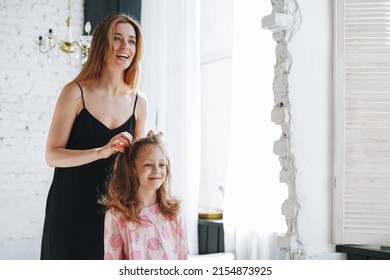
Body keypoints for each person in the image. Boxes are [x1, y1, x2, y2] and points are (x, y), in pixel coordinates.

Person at [40, 14, 149, 260]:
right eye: (117, 38)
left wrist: (153, 150)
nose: (125, 47)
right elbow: (52, 155)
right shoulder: (75, 92)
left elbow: (135, 167)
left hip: (114, 208)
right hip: (69, 205)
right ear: (102, 44)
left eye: (132, 41)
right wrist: (101, 151)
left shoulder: (139, 102)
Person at [101, 135, 187, 260]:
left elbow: (182, 258)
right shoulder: (116, 216)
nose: (157, 170)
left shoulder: (174, 213)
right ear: (131, 170)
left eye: (162, 164)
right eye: (148, 165)